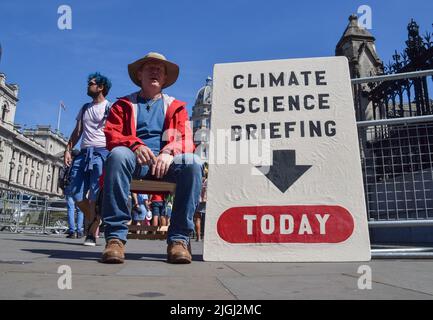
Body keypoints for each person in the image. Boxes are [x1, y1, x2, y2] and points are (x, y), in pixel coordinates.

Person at [101, 52, 202, 264]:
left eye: (160, 69)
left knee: (192, 163)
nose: (155, 71)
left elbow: (187, 140)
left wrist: (168, 152)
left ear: (165, 78)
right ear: (140, 75)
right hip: (134, 162)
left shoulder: (177, 107)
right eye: (150, 68)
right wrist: (135, 145)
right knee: (117, 155)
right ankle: (115, 239)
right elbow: (112, 135)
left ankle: (178, 240)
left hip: (167, 164)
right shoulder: (122, 104)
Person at [64, 72, 112, 246]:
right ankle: (95, 219)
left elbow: (115, 133)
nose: (88, 86)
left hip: (101, 152)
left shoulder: (110, 107)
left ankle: (91, 233)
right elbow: (78, 131)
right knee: (74, 192)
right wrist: (68, 149)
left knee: (94, 194)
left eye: (91, 83)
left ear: (101, 87)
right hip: (83, 153)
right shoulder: (85, 108)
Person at [61, 149, 84, 238]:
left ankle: (72, 231)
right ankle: (79, 231)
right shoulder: (81, 164)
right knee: (80, 210)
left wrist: (63, 188)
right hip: (79, 187)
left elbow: (61, 176)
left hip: (69, 187)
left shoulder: (68, 165)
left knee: (70, 209)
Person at [194, 163, 208, 241]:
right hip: (206, 200)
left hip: (197, 200)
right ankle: (206, 236)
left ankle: (198, 237)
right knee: (207, 219)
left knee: (197, 219)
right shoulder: (208, 181)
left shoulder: (197, 180)